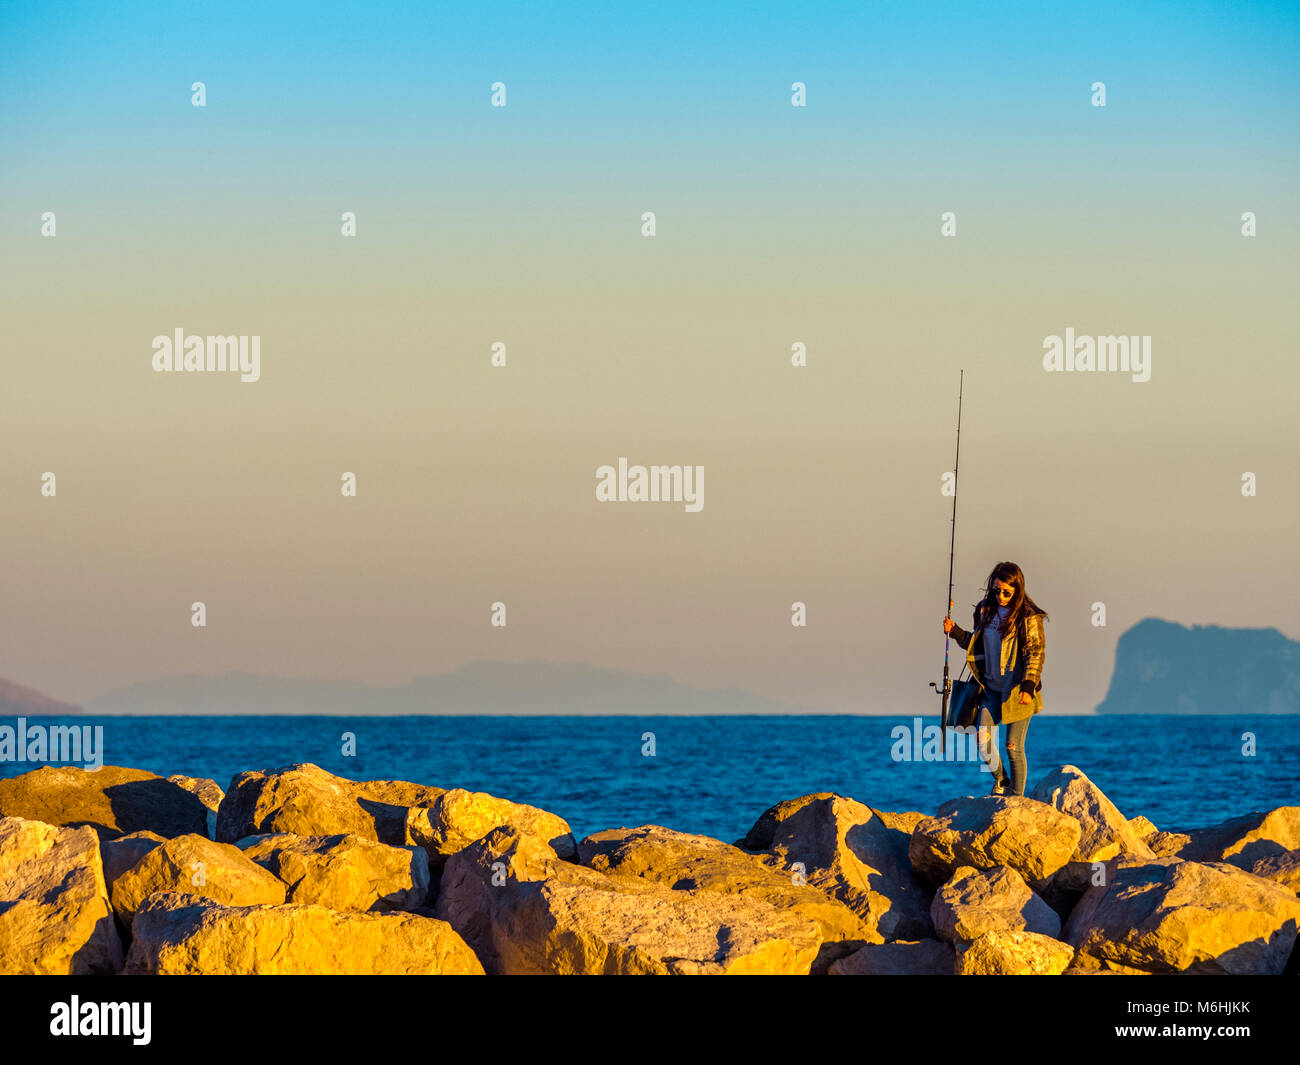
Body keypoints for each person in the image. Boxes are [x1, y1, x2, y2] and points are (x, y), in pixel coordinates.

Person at [941, 561, 1048, 796]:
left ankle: (1017, 797)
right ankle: (1001, 780)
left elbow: (1035, 653)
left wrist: (1029, 684)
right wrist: (955, 631)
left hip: (1017, 691)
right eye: (996, 590)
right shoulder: (984, 611)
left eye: (1006, 592)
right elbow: (976, 644)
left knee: (1013, 747)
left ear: (1017, 590)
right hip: (990, 690)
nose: (1000, 596)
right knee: (982, 740)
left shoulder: (1029, 617)